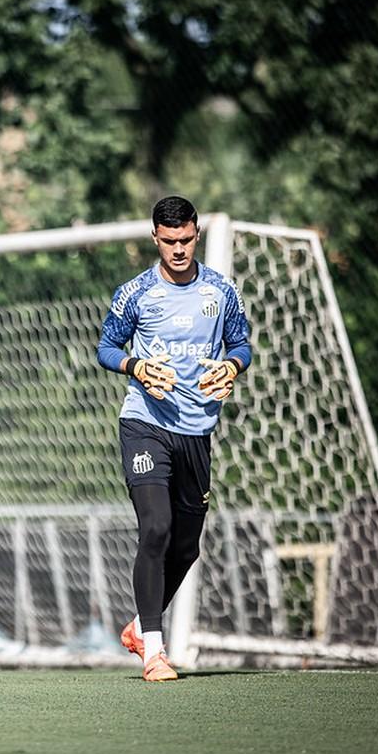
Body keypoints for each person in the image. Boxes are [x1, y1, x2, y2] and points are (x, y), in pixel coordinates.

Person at [96, 195, 251, 681]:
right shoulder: (137, 293)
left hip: (196, 432)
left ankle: (140, 626)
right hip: (145, 423)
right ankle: (154, 651)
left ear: (196, 234)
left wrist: (231, 366)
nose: (178, 249)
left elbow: (242, 343)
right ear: (155, 238)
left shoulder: (221, 292)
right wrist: (136, 366)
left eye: (185, 240)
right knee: (156, 528)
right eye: (169, 241)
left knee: (186, 548)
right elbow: (105, 346)